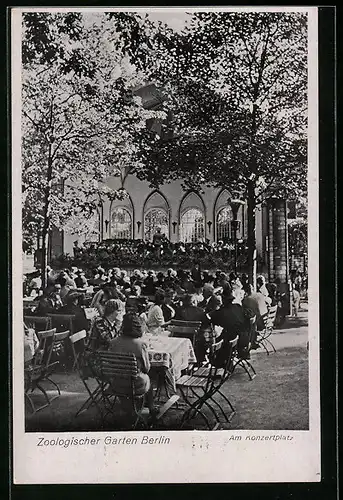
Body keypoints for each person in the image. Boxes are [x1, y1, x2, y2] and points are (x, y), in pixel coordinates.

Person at [109, 313, 158, 421]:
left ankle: (129, 408)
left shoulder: (113, 342)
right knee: (148, 379)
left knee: (139, 378)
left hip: (116, 384)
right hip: (135, 385)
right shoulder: (140, 345)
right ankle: (151, 407)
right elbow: (146, 369)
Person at [210, 287, 251, 363]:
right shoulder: (238, 307)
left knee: (216, 341)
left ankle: (218, 361)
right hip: (244, 338)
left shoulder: (222, 312)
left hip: (234, 343)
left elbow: (212, 320)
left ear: (223, 300)